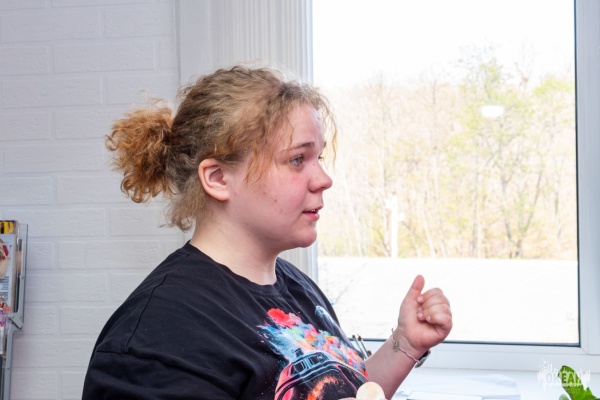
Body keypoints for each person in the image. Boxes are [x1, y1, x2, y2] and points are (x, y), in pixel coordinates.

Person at [82, 65, 452, 400]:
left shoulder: (298, 288)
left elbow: (345, 389)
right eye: (297, 159)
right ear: (218, 178)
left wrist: (405, 343)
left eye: (319, 158)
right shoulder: (158, 336)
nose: (324, 179)